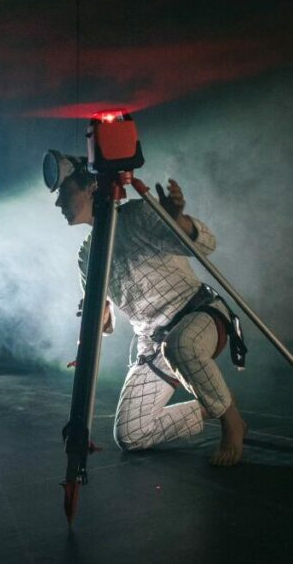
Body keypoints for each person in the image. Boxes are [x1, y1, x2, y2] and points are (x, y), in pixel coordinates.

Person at [50, 155, 248, 466]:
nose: (59, 202)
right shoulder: (87, 253)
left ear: (90, 188)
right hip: (154, 345)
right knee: (131, 434)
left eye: (64, 192)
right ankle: (211, 403)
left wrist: (177, 220)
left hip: (200, 317)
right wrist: (99, 316)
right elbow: (106, 317)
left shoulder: (139, 216)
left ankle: (231, 420)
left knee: (179, 345)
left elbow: (207, 245)